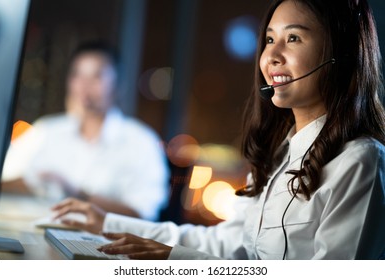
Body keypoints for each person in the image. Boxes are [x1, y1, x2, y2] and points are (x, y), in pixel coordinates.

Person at [52, 0, 385, 259]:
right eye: (270, 39)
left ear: (341, 54)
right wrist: (107, 224)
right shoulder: (278, 154)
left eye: (293, 38)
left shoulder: (360, 162)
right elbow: (229, 244)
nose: (272, 56)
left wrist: (177, 260)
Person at [1, 42, 169, 221]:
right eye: (77, 75)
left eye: (97, 76)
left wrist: (77, 194)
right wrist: (33, 183)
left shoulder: (141, 141)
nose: (83, 86)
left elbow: (143, 215)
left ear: (118, 85)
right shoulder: (47, 130)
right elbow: (4, 180)